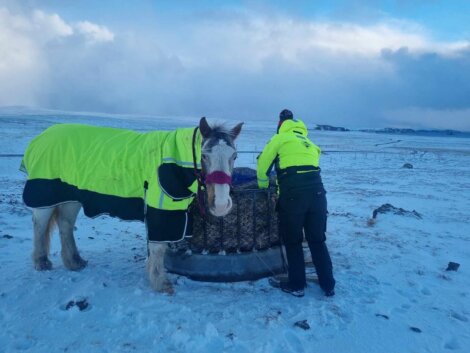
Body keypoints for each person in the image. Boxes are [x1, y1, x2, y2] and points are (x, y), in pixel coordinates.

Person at [257, 109, 335, 297]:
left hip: (293, 198)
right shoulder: (311, 144)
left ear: (280, 125)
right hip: (318, 197)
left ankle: (297, 285)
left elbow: (262, 166)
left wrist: (263, 186)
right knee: (317, 240)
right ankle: (328, 285)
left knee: (293, 242)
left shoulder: (279, 139)